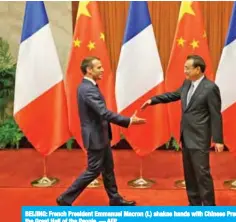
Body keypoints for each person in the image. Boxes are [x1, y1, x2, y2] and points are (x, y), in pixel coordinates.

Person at [56, 56, 146, 206]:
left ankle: (115, 198)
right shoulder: (87, 89)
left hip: (101, 136)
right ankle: (65, 198)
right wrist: (128, 121)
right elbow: (103, 112)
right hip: (95, 137)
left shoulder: (90, 86)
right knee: (93, 170)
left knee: (108, 168)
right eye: (99, 67)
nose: (103, 69)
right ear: (89, 70)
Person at [141, 55, 224, 206]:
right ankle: (194, 205)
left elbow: (215, 115)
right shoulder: (187, 83)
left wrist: (218, 139)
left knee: (202, 175)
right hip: (186, 136)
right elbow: (173, 95)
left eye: (187, 68)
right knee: (189, 175)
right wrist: (153, 100)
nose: (184, 70)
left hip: (199, 138)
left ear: (198, 69)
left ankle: (210, 208)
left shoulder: (210, 88)